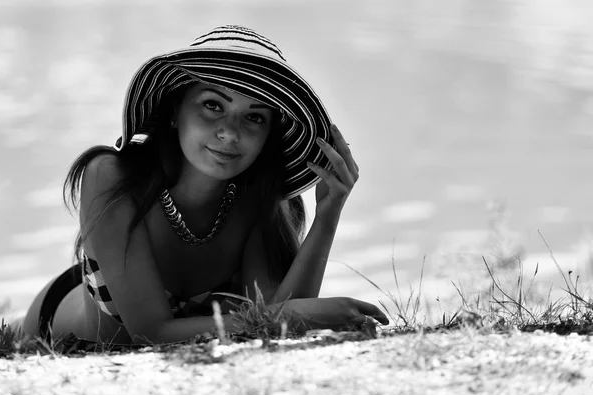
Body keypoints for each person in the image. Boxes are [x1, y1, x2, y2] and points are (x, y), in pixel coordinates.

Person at [19, 25, 388, 345]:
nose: (229, 133)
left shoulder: (264, 203)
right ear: (175, 112)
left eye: (254, 117)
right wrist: (300, 316)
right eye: (213, 105)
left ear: (267, 137)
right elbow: (151, 333)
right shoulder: (111, 177)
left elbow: (280, 322)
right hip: (53, 321)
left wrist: (328, 214)